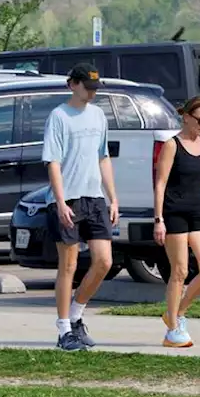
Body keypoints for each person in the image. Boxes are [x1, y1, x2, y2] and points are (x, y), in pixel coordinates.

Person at [44, 64, 120, 351]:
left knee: (104, 261)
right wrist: (60, 201)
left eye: (94, 88)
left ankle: (76, 315)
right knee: (69, 265)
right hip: (68, 198)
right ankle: (64, 330)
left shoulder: (99, 115)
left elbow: (104, 158)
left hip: (94, 197)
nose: (91, 93)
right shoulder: (59, 117)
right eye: (86, 87)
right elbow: (53, 161)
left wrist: (113, 197)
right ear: (71, 84)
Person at [153, 96, 200, 348]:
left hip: (197, 213)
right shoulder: (172, 145)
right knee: (180, 271)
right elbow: (160, 183)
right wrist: (159, 219)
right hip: (174, 214)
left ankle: (176, 313)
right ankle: (172, 331)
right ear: (186, 117)